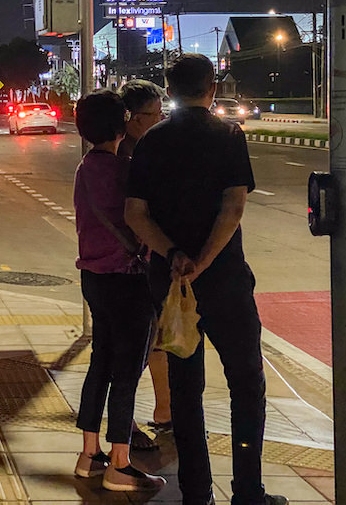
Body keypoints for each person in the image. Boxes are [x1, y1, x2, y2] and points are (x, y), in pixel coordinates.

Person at [124, 54, 287, 505]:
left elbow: (134, 214)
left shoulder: (151, 142)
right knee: (246, 384)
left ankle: (196, 492)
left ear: (167, 89)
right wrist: (205, 260)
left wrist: (175, 256)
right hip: (227, 283)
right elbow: (233, 207)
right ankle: (247, 492)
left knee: (185, 389)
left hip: (173, 286)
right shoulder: (228, 135)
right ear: (212, 88)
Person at [72, 90, 166, 494]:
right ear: (121, 123)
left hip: (93, 278)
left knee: (101, 363)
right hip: (127, 279)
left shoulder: (84, 168)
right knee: (126, 371)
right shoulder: (123, 169)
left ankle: (89, 454)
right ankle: (120, 463)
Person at [118, 80, 173, 438]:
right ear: (134, 118)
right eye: (155, 114)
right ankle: (128, 424)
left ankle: (164, 411)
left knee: (156, 340)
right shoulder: (129, 156)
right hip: (133, 266)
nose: (161, 119)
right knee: (137, 347)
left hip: (144, 262)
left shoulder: (144, 150)